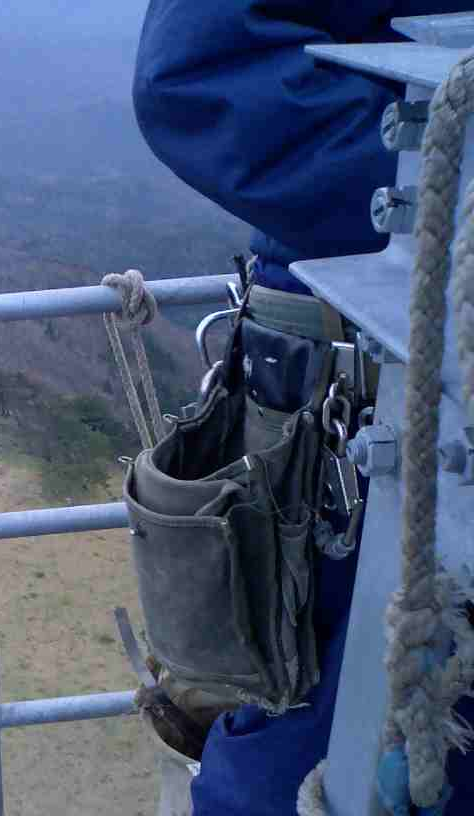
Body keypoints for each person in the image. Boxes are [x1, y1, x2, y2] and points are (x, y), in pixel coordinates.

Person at [131, 2, 474, 814]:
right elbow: (199, 80)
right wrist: (446, 185)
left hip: (371, 397)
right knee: (327, 757)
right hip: (367, 438)